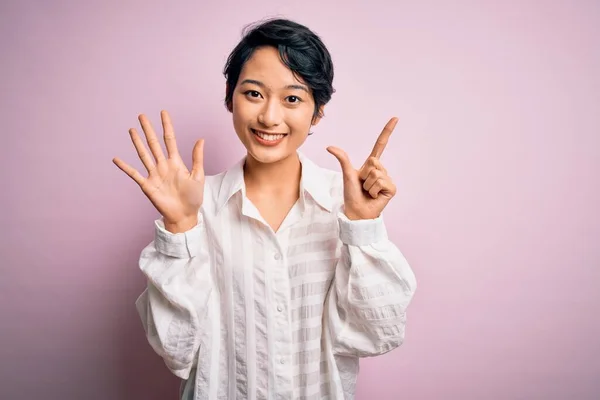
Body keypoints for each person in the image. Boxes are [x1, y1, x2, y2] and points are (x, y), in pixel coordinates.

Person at [113, 17, 417, 400]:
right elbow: (177, 351)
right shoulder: (194, 205)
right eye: (253, 93)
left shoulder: (346, 203)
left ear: (317, 112)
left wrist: (362, 226)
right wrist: (180, 225)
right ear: (230, 97)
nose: (270, 117)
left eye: (292, 98)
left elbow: (377, 333)